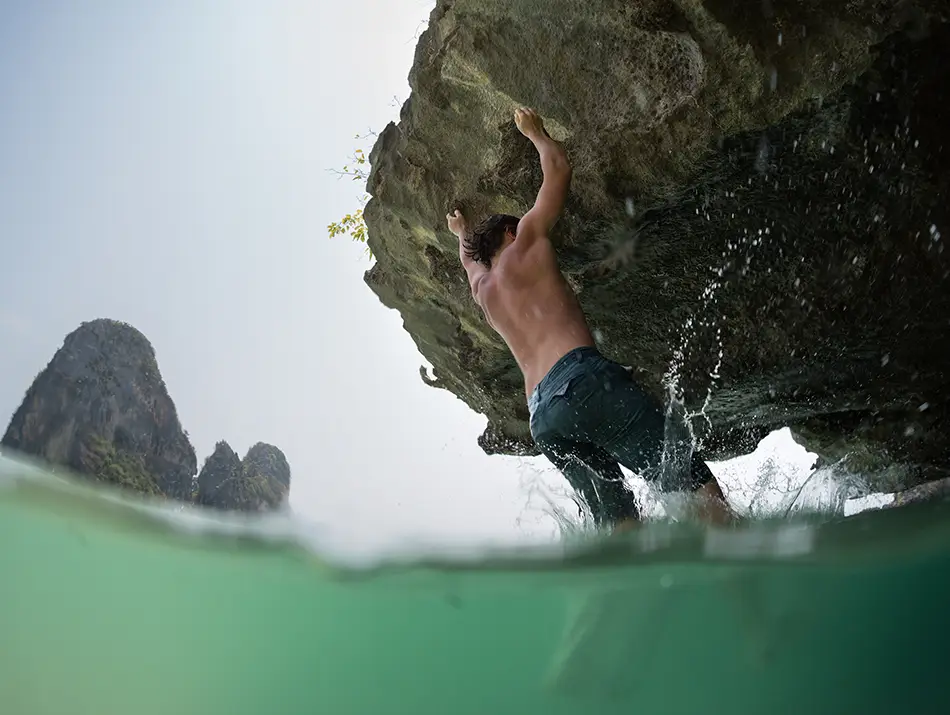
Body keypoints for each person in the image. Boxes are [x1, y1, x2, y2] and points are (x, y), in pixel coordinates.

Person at [446, 107, 735, 530]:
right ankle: (737, 555)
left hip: (542, 419)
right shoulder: (525, 242)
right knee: (691, 482)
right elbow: (558, 172)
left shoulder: (484, 294)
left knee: (619, 525)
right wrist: (536, 134)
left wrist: (459, 233)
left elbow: (470, 265)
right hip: (580, 381)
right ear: (510, 232)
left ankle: (625, 589)